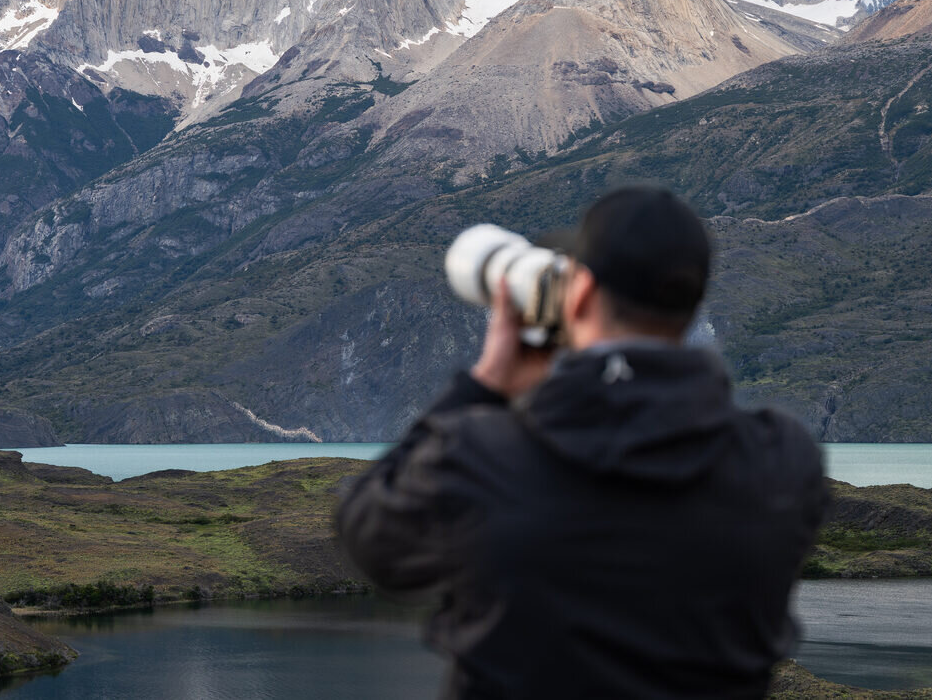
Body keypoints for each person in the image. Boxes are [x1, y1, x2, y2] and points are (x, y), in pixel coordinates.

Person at [336, 186, 829, 699]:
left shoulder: (482, 457)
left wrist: (486, 384)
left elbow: (371, 539)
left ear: (582, 292)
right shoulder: (780, 461)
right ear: (689, 300)